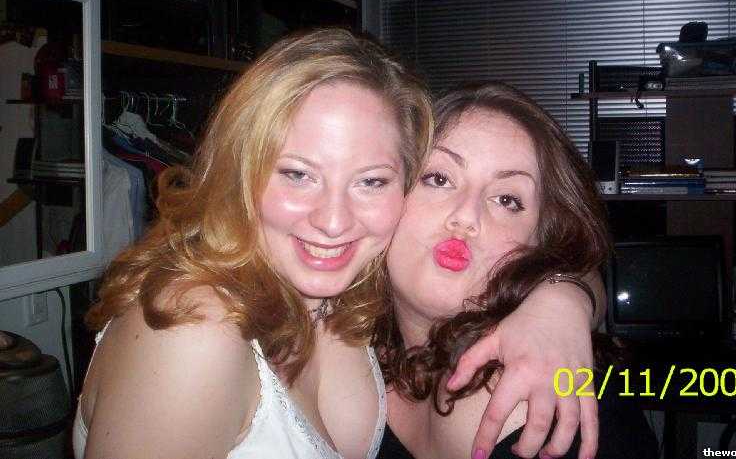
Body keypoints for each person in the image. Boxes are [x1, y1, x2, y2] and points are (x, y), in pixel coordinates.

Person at [73, 30, 604, 459]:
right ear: (240, 171)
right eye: (297, 174)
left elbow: (564, 262)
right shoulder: (192, 336)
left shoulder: (351, 299)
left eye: (370, 181)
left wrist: (563, 299)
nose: (332, 222)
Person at [376, 83, 658, 459]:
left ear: (540, 243)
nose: (466, 216)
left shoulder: (566, 406)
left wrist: (566, 293)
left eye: (507, 200)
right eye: (439, 179)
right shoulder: (345, 349)